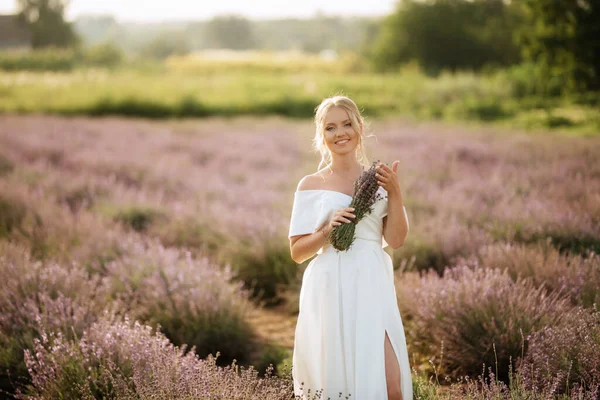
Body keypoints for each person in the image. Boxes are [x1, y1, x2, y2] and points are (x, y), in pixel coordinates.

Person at [288, 95, 412, 400]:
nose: (340, 132)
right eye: (330, 127)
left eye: (346, 124)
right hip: (330, 284)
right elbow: (298, 252)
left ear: (359, 128)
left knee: (390, 385)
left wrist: (395, 193)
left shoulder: (380, 180)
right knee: (338, 382)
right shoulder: (310, 184)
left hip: (372, 280)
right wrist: (328, 230)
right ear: (321, 136)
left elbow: (395, 240)